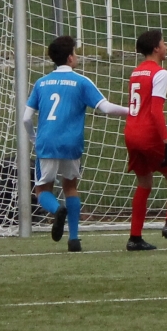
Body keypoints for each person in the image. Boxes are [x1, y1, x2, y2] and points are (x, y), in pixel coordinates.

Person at [22, 35, 130, 253]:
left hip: (47, 142)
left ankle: (57, 210)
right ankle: (74, 239)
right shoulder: (81, 82)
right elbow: (106, 108)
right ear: (70, 57)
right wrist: (132, 112)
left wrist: (34, 138)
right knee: (70, 187)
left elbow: (26, 118)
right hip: (72, 143)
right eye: (75, 52)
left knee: (42, 189)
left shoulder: (41, 83)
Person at [123, 28, 167, 253]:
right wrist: (166, 139)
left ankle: (135, 237)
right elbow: (155, 111)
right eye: (164, 43)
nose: (166, 47)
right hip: (149, 134)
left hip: (131, 133)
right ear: (156, 48)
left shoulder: (136, 72)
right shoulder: (160, 73)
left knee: (144, 183)